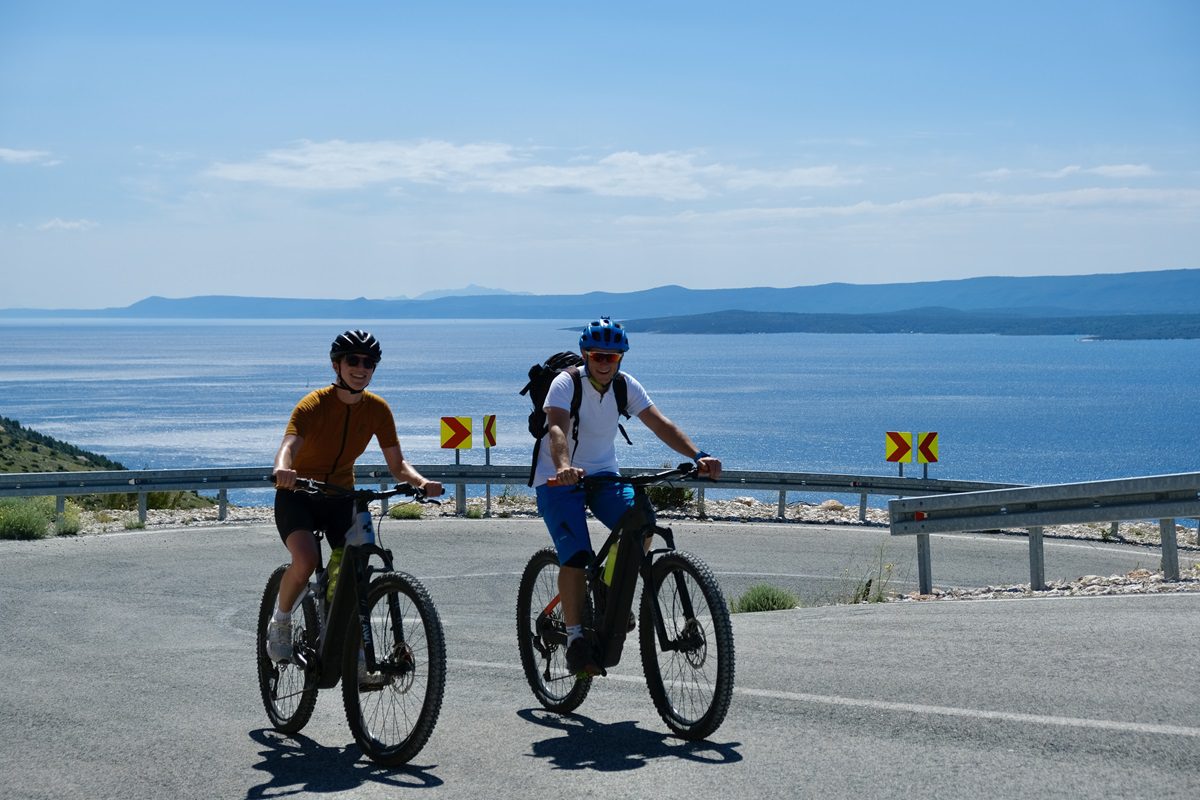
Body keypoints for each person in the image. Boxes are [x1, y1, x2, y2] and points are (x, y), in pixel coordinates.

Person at [533, 317, 722, 676]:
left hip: (603, 475)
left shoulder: (625, 387)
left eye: (613, 357)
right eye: (598, 355)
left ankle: (607, 586)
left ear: (621, 359)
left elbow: (660, 423)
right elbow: (556, 426)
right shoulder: (564, 384)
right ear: (586, 355)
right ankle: (575, 639)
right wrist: (563, 465)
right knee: (575, 556)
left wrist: (697, 456)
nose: (605, 363)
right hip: (557, 478)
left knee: (643, 525)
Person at [267, 329, 443, 662]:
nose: (361, 368)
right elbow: (287, 447)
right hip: (299, 495)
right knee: (305, 561)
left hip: (339, 497)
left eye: (369, 362)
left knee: (355, 568)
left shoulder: (377, 410)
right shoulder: (313, 404)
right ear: (337, 365)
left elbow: (398, 463)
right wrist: (283, 471)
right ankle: (281, 618)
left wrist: (421, 481)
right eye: (353, 360)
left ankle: (352, 643)